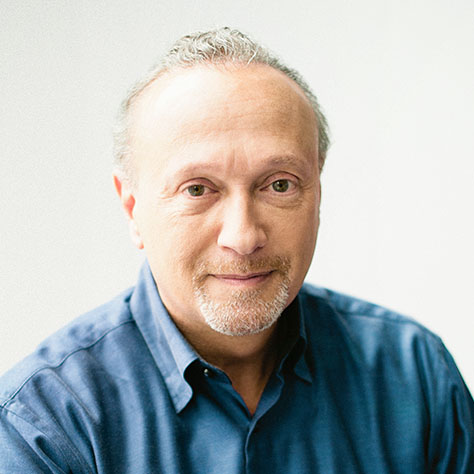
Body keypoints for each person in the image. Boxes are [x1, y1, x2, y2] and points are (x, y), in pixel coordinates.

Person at [0, 27, 473, 473]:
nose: (243, 237)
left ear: (318, 195)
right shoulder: (44, 423)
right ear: (133, 208)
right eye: (197, 189)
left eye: (279, 184)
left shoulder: (417, 377)